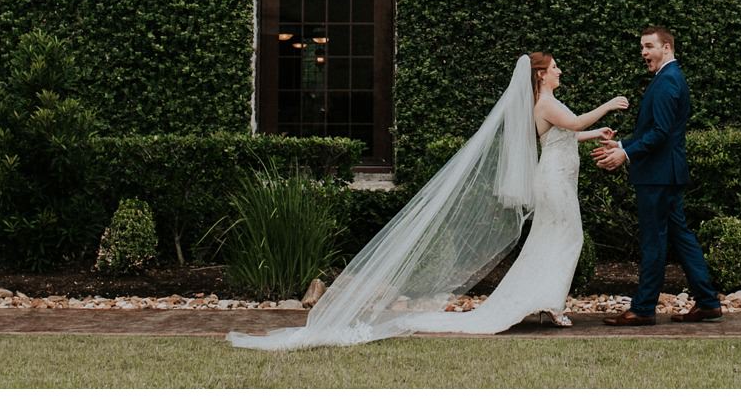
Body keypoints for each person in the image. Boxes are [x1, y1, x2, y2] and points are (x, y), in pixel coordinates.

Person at [227, 53, 626, 350]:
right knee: (565, 238)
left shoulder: (548, 104)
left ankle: (546, 301)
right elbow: (571, 123)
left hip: (559, 178)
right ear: (541, 74)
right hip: (554, 181)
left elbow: (568, 133)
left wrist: (598, 132)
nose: (560, 71)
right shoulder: (545, 102)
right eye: (555, 66)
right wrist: (607, 105)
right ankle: (548, 302)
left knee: (555, 241)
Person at [591, 26, 724, 324]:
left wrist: (625, 154)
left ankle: (643, 308)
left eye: (649, 46)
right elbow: (658, 130)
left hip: (657, 176)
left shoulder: (666, 82)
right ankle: (707, 302)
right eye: (642, 47)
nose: (643, 53)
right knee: (681, 237)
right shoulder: (670, 78)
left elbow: (661, 133)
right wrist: (623, 143)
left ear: (667, 48)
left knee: (654, 240)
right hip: (666, 174)